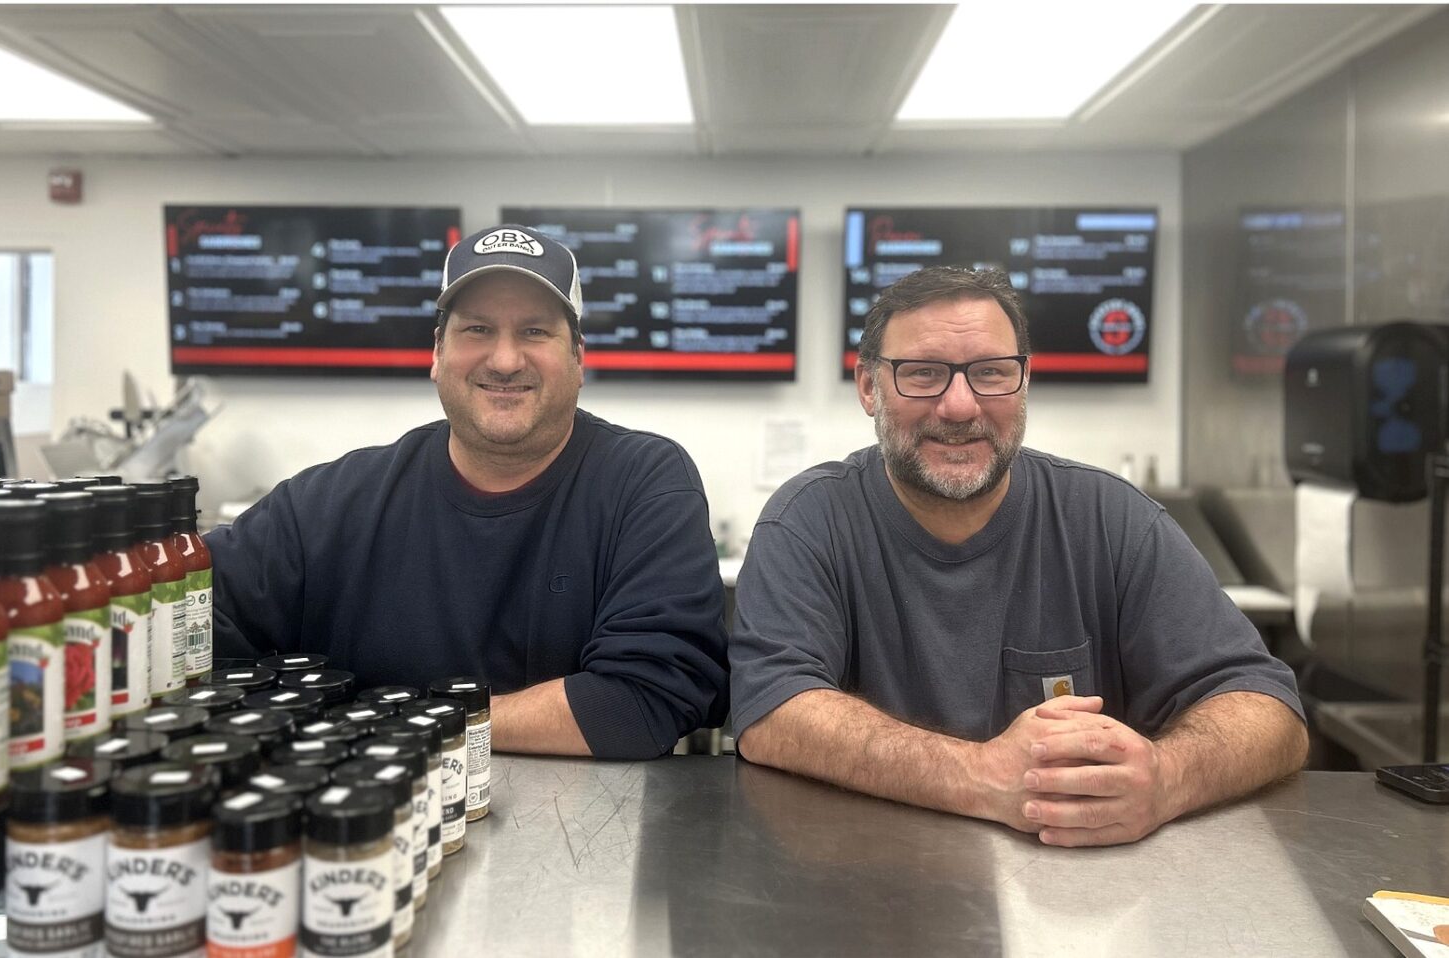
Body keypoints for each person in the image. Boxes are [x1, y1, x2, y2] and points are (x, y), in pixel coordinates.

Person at [729, 266, 1307, 846]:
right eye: (923, 373)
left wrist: (1168, 777)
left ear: (1024, 382)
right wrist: (979, 775)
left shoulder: (1112, 520)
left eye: (991, 373)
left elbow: (1268, 708)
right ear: (868, 388)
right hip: (859, 869)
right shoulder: (810, 520)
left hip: (1082, 883)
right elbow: (771, 711)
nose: (960, 406)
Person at [207, 224, 728, 760]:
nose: (504, 360)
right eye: (477, 328)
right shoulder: (327, 506)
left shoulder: (643, 484)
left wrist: (403, 725)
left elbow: (643, 702)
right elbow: (184, 620)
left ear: (578, 358)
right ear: (437, 353)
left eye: (534, 331)